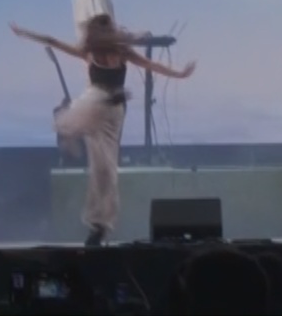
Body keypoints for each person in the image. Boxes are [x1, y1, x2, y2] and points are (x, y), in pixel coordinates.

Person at [11, 15, 194, 246]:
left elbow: (152, 65)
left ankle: (100, 224)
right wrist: (24, 33)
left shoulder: (123, 53)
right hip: (95, 104)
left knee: (105, 169)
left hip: (113, 112)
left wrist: (180, 74)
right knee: (84, 106)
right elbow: (52, 40)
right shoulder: (88, 52)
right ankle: (69, 135)